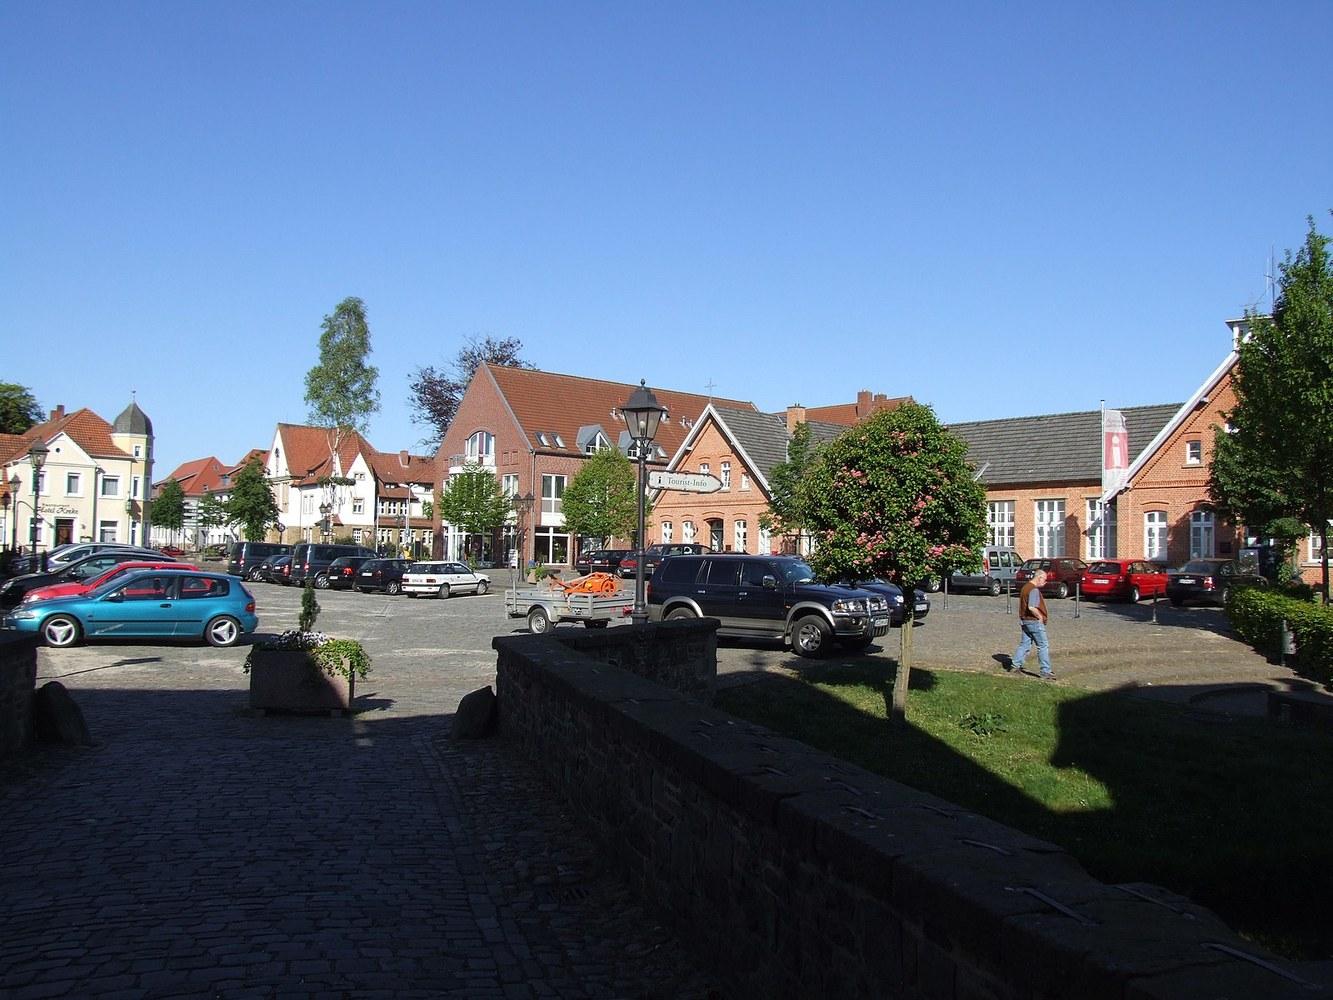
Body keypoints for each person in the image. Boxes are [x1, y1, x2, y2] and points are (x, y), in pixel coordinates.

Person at [1011, 568, 1055, 679]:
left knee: (1025, 644)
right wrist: (1040, 616)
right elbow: (1031, 607)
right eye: (1044, 580)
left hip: (1025, 620)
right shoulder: (1033, 590)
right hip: (1033, 621)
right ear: (1039, 578)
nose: (1044, 583)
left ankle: (1015, 665)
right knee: (1043, 645)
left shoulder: (1025, 587)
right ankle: (1045, 671)